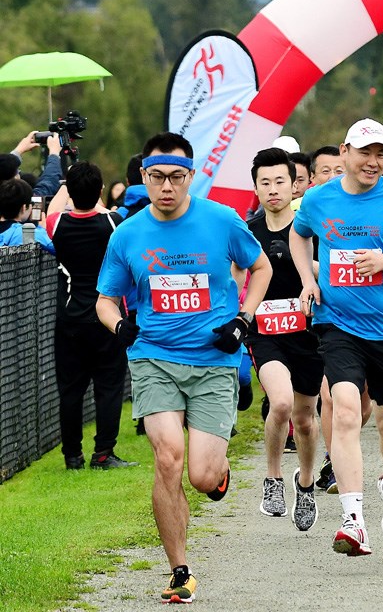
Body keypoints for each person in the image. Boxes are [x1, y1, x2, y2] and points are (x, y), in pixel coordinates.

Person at [96, 132, 273, 603]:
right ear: (144, 178)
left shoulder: (221, 221)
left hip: (215, 360)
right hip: (154, 359)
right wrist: (120, 329)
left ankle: (217, 472)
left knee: (200, 475)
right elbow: (105, 300)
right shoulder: (127, 234)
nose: (167, 187)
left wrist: (243, 319)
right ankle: (179, 570)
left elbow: (261, 269)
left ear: (192, 177)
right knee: (168, 456)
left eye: (177, 177)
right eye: (157, 178)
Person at [289, 117, 383, 557]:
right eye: (365, 152)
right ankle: (353, 521)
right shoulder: (318, 200)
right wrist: (307, 280)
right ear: (345, 152)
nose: (373, 162)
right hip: (337, 324)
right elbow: (299, 238)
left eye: (381, 154)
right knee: (345, 411)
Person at [245, 148, 323, 530]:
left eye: (280, 181)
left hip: (307, 334)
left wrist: (302, 263)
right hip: (266, 334)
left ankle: (305, 483)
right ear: (256, 187)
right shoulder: (248, 231)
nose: (273, 189)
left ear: (295, 185)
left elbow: (329, 273)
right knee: (279, 403)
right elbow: (233, 276)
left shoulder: (310, 228)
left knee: (306, 420)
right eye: (265, 183)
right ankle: (273, 479)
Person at [46, 162, 134, 471]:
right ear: (100, 191)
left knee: (70, 390)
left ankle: (73, 456)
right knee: (108, 386)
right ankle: (103, 454)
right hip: (107, 316)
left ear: (70, 191)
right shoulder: (114, 222)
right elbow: (102, 210)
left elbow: (54, 209)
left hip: (69, 319)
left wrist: (65, 181)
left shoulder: (57, 225)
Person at [1, 131, 64, 196]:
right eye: (16, 172)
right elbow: (47, 185)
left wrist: (18, 150)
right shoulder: (20, 201)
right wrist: (54, 153)